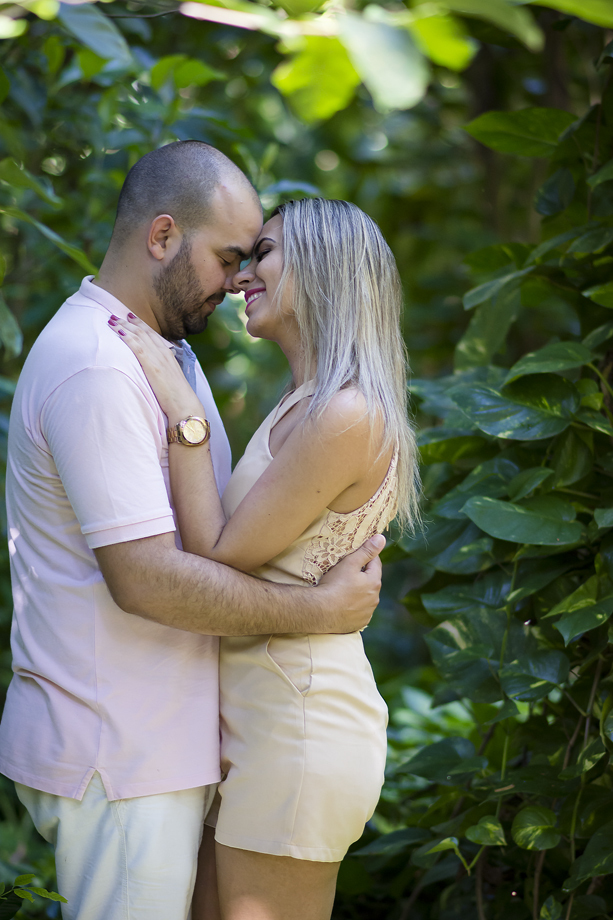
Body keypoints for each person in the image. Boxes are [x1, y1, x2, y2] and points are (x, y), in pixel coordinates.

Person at [0, 143, 386, 920]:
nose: (239, 278)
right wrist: (318, 612)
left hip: (175, 747)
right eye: (228, 257)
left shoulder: (165, 353)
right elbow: (147, 577)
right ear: (163, 236)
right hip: (122, 750)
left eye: (254, 258)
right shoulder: (101, 368)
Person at [110, 196, 419, 920]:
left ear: (322, 269)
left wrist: (179, 404)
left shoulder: (345, 413)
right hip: (259, 716)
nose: (244, 274)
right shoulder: (304, 403)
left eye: (265, 254)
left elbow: (219, 553)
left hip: (299, 726)